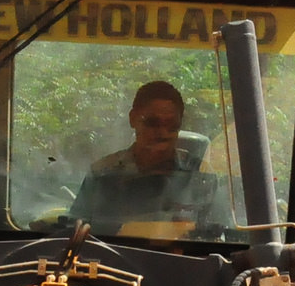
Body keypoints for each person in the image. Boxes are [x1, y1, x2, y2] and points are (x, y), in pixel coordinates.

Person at [72, 81, 230, 239]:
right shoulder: (102, 175)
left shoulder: (200, 175)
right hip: (114, 262)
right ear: (133, 119)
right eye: (152, 123)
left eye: (172, 125)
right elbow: (75, 235)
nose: (162, 133)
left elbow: (221, 237)